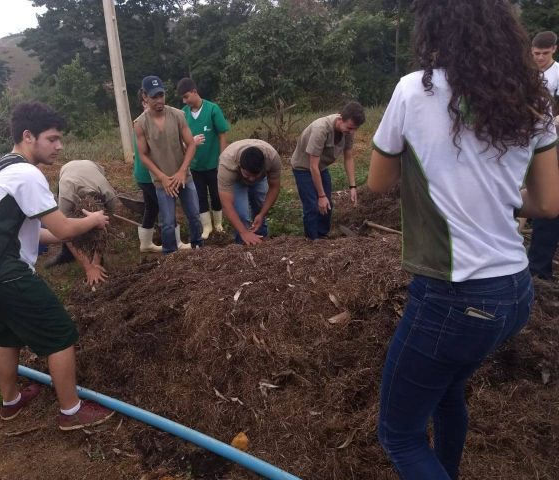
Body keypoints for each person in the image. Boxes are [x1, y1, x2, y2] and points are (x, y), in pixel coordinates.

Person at [368, 1, 559, 478]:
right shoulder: (533, 97)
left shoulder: (414, 91)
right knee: (447, 390)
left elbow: (377, 182)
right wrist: (496, 195)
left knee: (398, 433)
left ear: (433, 29)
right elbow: (547, 203)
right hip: (515, 291)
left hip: (454, 295)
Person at [0, 102, 115, 430]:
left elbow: (41, 232)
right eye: (52, 139)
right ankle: (71, 411)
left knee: (8, 338)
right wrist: (92, 219)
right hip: (8, 274)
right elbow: (65, 229)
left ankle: (11, 402)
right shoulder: (26, 173)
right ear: (28, 136)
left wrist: (79, 226)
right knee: (61, 334)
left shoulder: (0, 167)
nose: (59, 146)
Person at [134, 75, 203, 254]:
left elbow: (191, 144)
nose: (159, 100)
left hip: (183, 177)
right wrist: (162, 177)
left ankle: (198, 249)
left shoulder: (178, 115)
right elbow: (143, 155)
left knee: (195, 216)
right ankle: (170, 256)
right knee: (167, 224)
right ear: (145, 97)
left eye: (161, 95)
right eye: (154, 96)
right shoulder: (140, 123)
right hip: (162, 181)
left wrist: (182, 171)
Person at [291, 102, 365, 239]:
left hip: (321, 167)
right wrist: (321, 195)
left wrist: (353, 186)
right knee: (313, 206)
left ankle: (322, 235)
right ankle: (312, 240)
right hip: (303, 167)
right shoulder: (321, 129)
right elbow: (312, 166)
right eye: (350, 128)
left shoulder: (348, 130)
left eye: (355, 129)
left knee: (327, 204)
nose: (352, 132)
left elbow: (348, 158)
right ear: (340, 119)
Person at [44, 159, 116, 286]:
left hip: (93, 166)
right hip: (67, 170)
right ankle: (66, 254)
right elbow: (64, 230)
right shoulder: (66, 196)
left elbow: (105, 227)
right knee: (70, 226)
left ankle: (96, 255)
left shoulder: (109, 196)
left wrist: (96, 263)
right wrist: (89, 268)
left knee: (97, 225)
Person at [177, 77, 230, 239]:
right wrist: (190, 144)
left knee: (216, 194)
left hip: (214, 164)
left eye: (187, 96)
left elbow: (222, 135)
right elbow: (179, 141)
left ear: (194, 92)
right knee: (200, 196)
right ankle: (206, 227)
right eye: (183, 98)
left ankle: (218, 224)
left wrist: (222, 159)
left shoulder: (212, 109)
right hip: (194, 165)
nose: (185, 101)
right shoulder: (183, 114)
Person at [528, 31, 559, 281]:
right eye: (536, 53)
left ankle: (539, 270)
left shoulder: (557, 74)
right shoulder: (527, 74)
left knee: (548, 204)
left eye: (544, 54)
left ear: (554, 50)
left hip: (553, 144)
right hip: (526, 141)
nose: (539, 58)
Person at [217, 139, 281, 245]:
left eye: (254, 175)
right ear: (240, 166)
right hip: (236, 180)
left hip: (261, 178)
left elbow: (274, 187)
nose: (251, 179)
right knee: (241, 214)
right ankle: (242, 244)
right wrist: (244, 232)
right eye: (247, 175)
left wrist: (261, 214)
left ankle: (262, 240)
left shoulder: (272, 158)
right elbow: (227, 205)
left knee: (260, 206)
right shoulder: (227, 165)